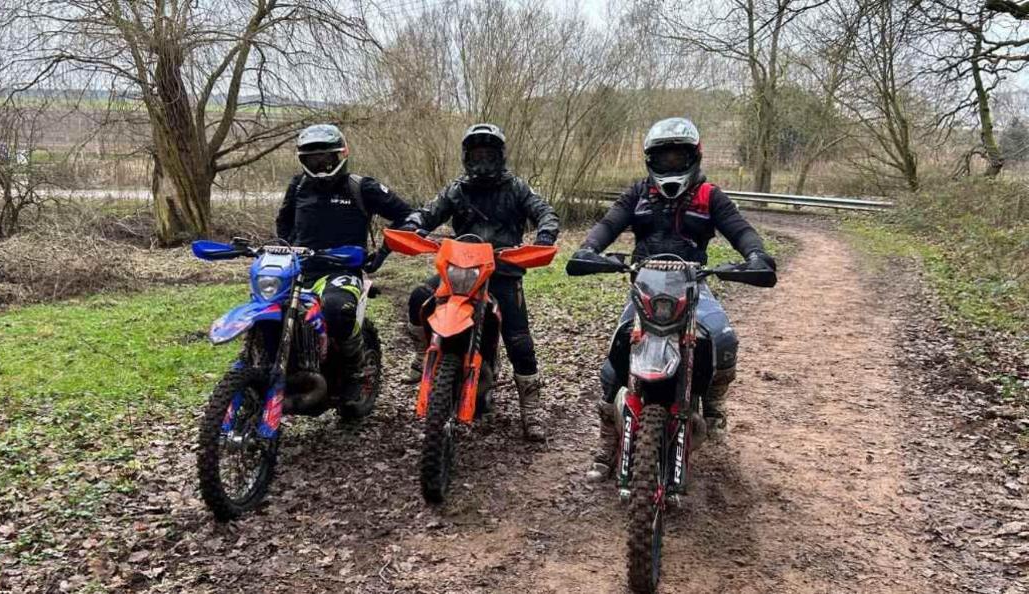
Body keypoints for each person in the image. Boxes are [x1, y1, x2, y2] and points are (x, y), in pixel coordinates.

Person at [572, 117, 777, 480]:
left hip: (694, 285)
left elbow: (740, 230)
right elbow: (608, 224)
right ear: (650, 159)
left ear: (693, 157)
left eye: (677, 157)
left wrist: (755, 255)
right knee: (617, 352)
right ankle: (607, 438)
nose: (669, 164)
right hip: (646, 287)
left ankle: (712, 401)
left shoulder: (709, 195)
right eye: (662, 157)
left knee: (723, 337)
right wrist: (590, 248)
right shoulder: (637, 194)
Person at [401, 123, 560, 441]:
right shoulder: (457, 189)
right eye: (477, 153)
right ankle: (423, 353)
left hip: (503, 269)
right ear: (467, 157)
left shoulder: (517, 188)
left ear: (500, 156)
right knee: (419, 297)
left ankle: (531, 408)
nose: (483, 160)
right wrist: (415, 224)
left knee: (518, 340)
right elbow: (430, 211)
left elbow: (545, 211)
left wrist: (544, 234)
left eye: (489, 153)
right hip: (461, 267)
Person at [276, 123, 414, 400]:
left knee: (337, 309)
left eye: (326, 157)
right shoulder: (298, 186)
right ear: (302, 160)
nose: (320, 164)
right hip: (302, 269)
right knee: (268, 310)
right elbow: (284, 225)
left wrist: (383, 251)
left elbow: (407, 216)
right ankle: (265, 366)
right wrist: (289, 249)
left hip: (342, 270)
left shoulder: (362, 187)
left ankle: (355, 370)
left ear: (341, 155)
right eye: (312, 159)